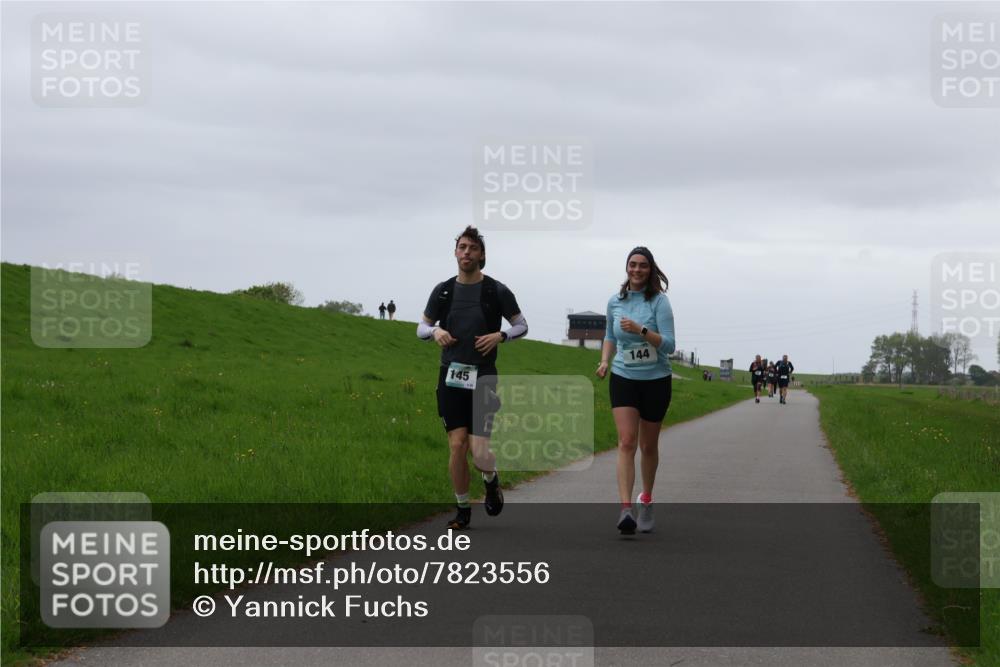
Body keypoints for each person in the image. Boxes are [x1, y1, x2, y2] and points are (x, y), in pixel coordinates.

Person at [417, 226, 528, 530]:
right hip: (450, 376)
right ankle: (462, 507)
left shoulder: (496, 291)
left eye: (472, 248)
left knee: (479, 453)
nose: (466, 253)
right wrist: (435, 331)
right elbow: (421, 328)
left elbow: (522, 325)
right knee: (457, 445)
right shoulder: (443, 290)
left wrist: (500, 335)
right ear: (456, 252)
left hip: (484, 378)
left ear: (482, 255)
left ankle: (490, 480)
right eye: (462, 247)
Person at [596, 246, 675, 535]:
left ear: (650, 269)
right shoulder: (615, 301)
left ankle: (647, 500)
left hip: (656, 379)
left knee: (648, 446)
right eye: (632, 264)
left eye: (643, 265)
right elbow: (608, 335)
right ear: (626, 267)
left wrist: (641, 330)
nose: (637, 270)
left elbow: (669, 345)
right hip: (623, 375)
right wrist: (605, 360)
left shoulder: (659, 303)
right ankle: (626, 509)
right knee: (627, 441)